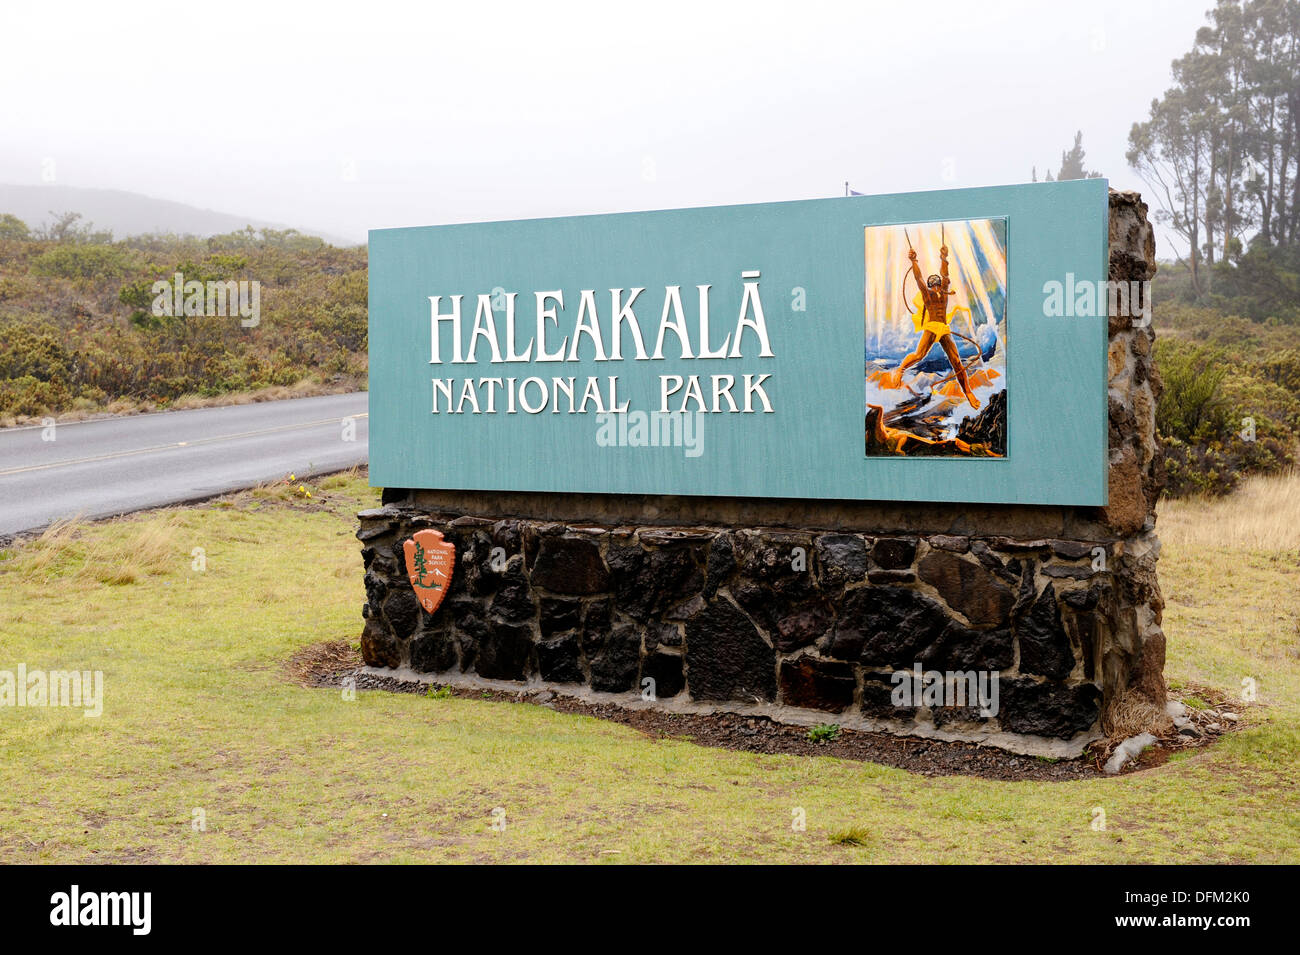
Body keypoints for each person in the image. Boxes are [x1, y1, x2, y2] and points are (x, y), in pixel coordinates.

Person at [881, 243, 981, 410]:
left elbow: (945, 273)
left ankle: (968, 392)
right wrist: (914, 261)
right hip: (932, 326)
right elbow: (918, 278)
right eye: (934, 285)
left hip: (943, 328)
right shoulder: (927, 294)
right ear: (930, 286)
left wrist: (944, 258)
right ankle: (900, 369)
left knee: (956, 361)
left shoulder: (944, 292)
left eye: (938, 284)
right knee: (919, 354)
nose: (936, 287)